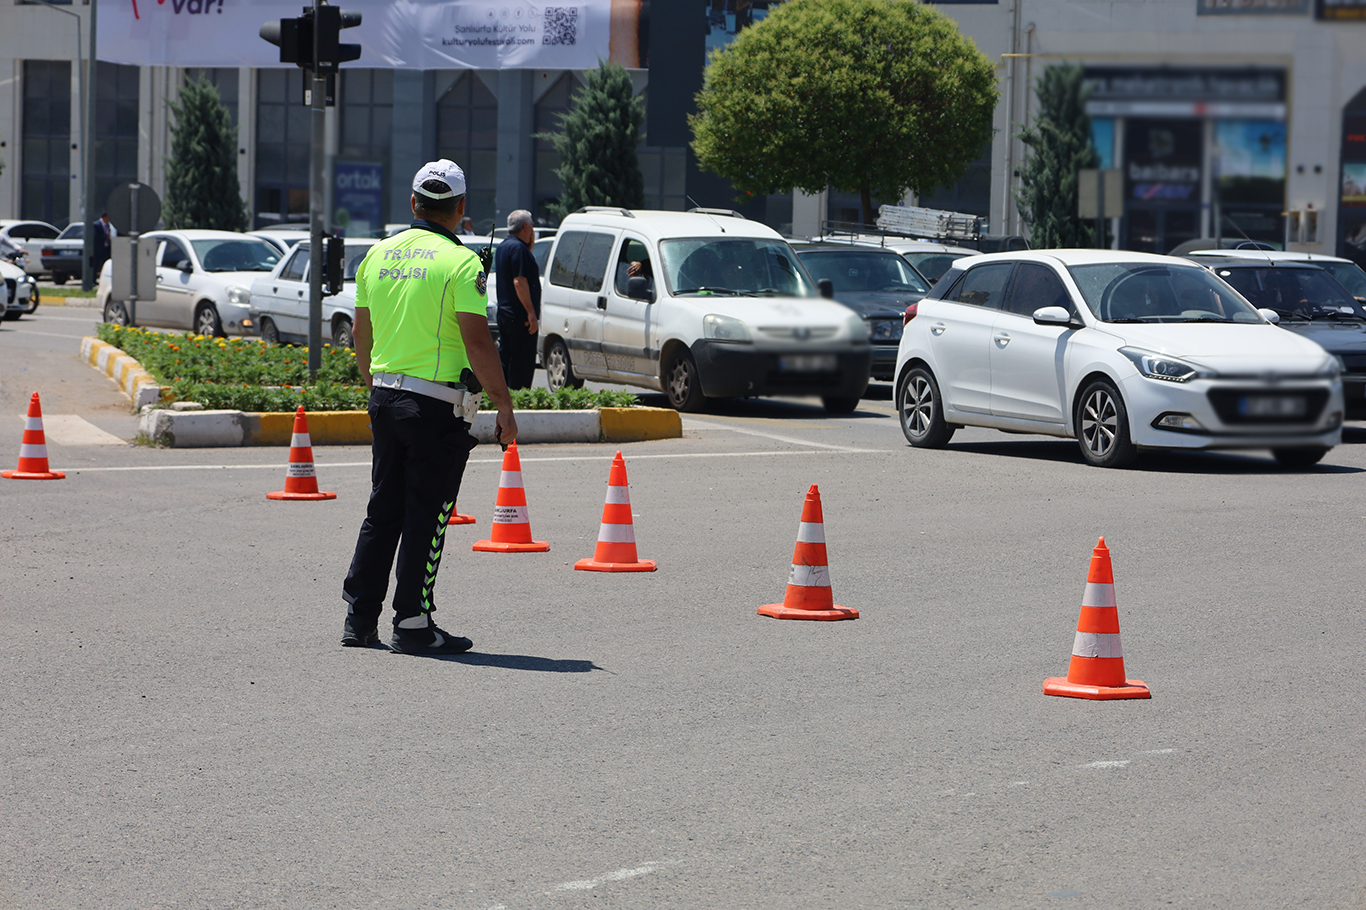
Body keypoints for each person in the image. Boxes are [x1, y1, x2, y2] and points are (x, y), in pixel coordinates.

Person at [341, 159, 518, 655]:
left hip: (385, 397)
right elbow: (478, 342)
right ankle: (413, 623)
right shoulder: (461, 264)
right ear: (461, 209)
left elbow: (361, 332)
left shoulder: (377, 255)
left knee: (383, 509)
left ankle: (359, 618)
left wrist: (375, 387)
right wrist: (503, 403)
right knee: (428, 514)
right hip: (436, 406)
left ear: (414, 203)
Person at [494, 209, 541, 389]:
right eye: (531, 227)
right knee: (522, 363)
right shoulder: (518, 249)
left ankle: (506, 396)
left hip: (506, 315)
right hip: (520, 318)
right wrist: (531, 313)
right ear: (526, 226)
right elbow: (519, 282)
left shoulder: (504, 246)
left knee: (507, 360)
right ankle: (518, 398)